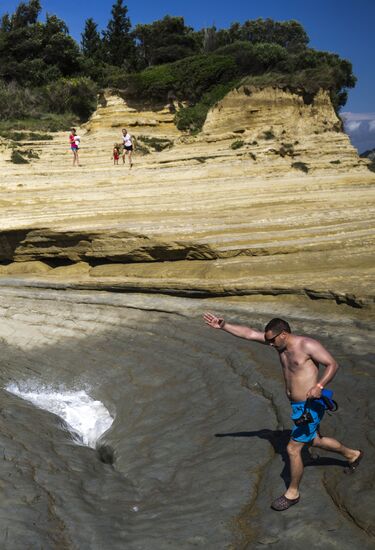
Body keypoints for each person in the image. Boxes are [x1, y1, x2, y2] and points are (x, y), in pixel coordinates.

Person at [203, 313, 363, 511]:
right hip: (298, 407)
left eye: (272, 339)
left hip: (310, 405)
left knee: (293, 449)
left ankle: (293, 493)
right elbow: (250, 334)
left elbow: (333, 364)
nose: (269, 344)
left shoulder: (307, 345)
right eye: (268, 339)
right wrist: (224, 325)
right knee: (315, 440)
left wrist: (320, 386)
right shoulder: (279, 343)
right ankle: (352, 454)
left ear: (284, 334)